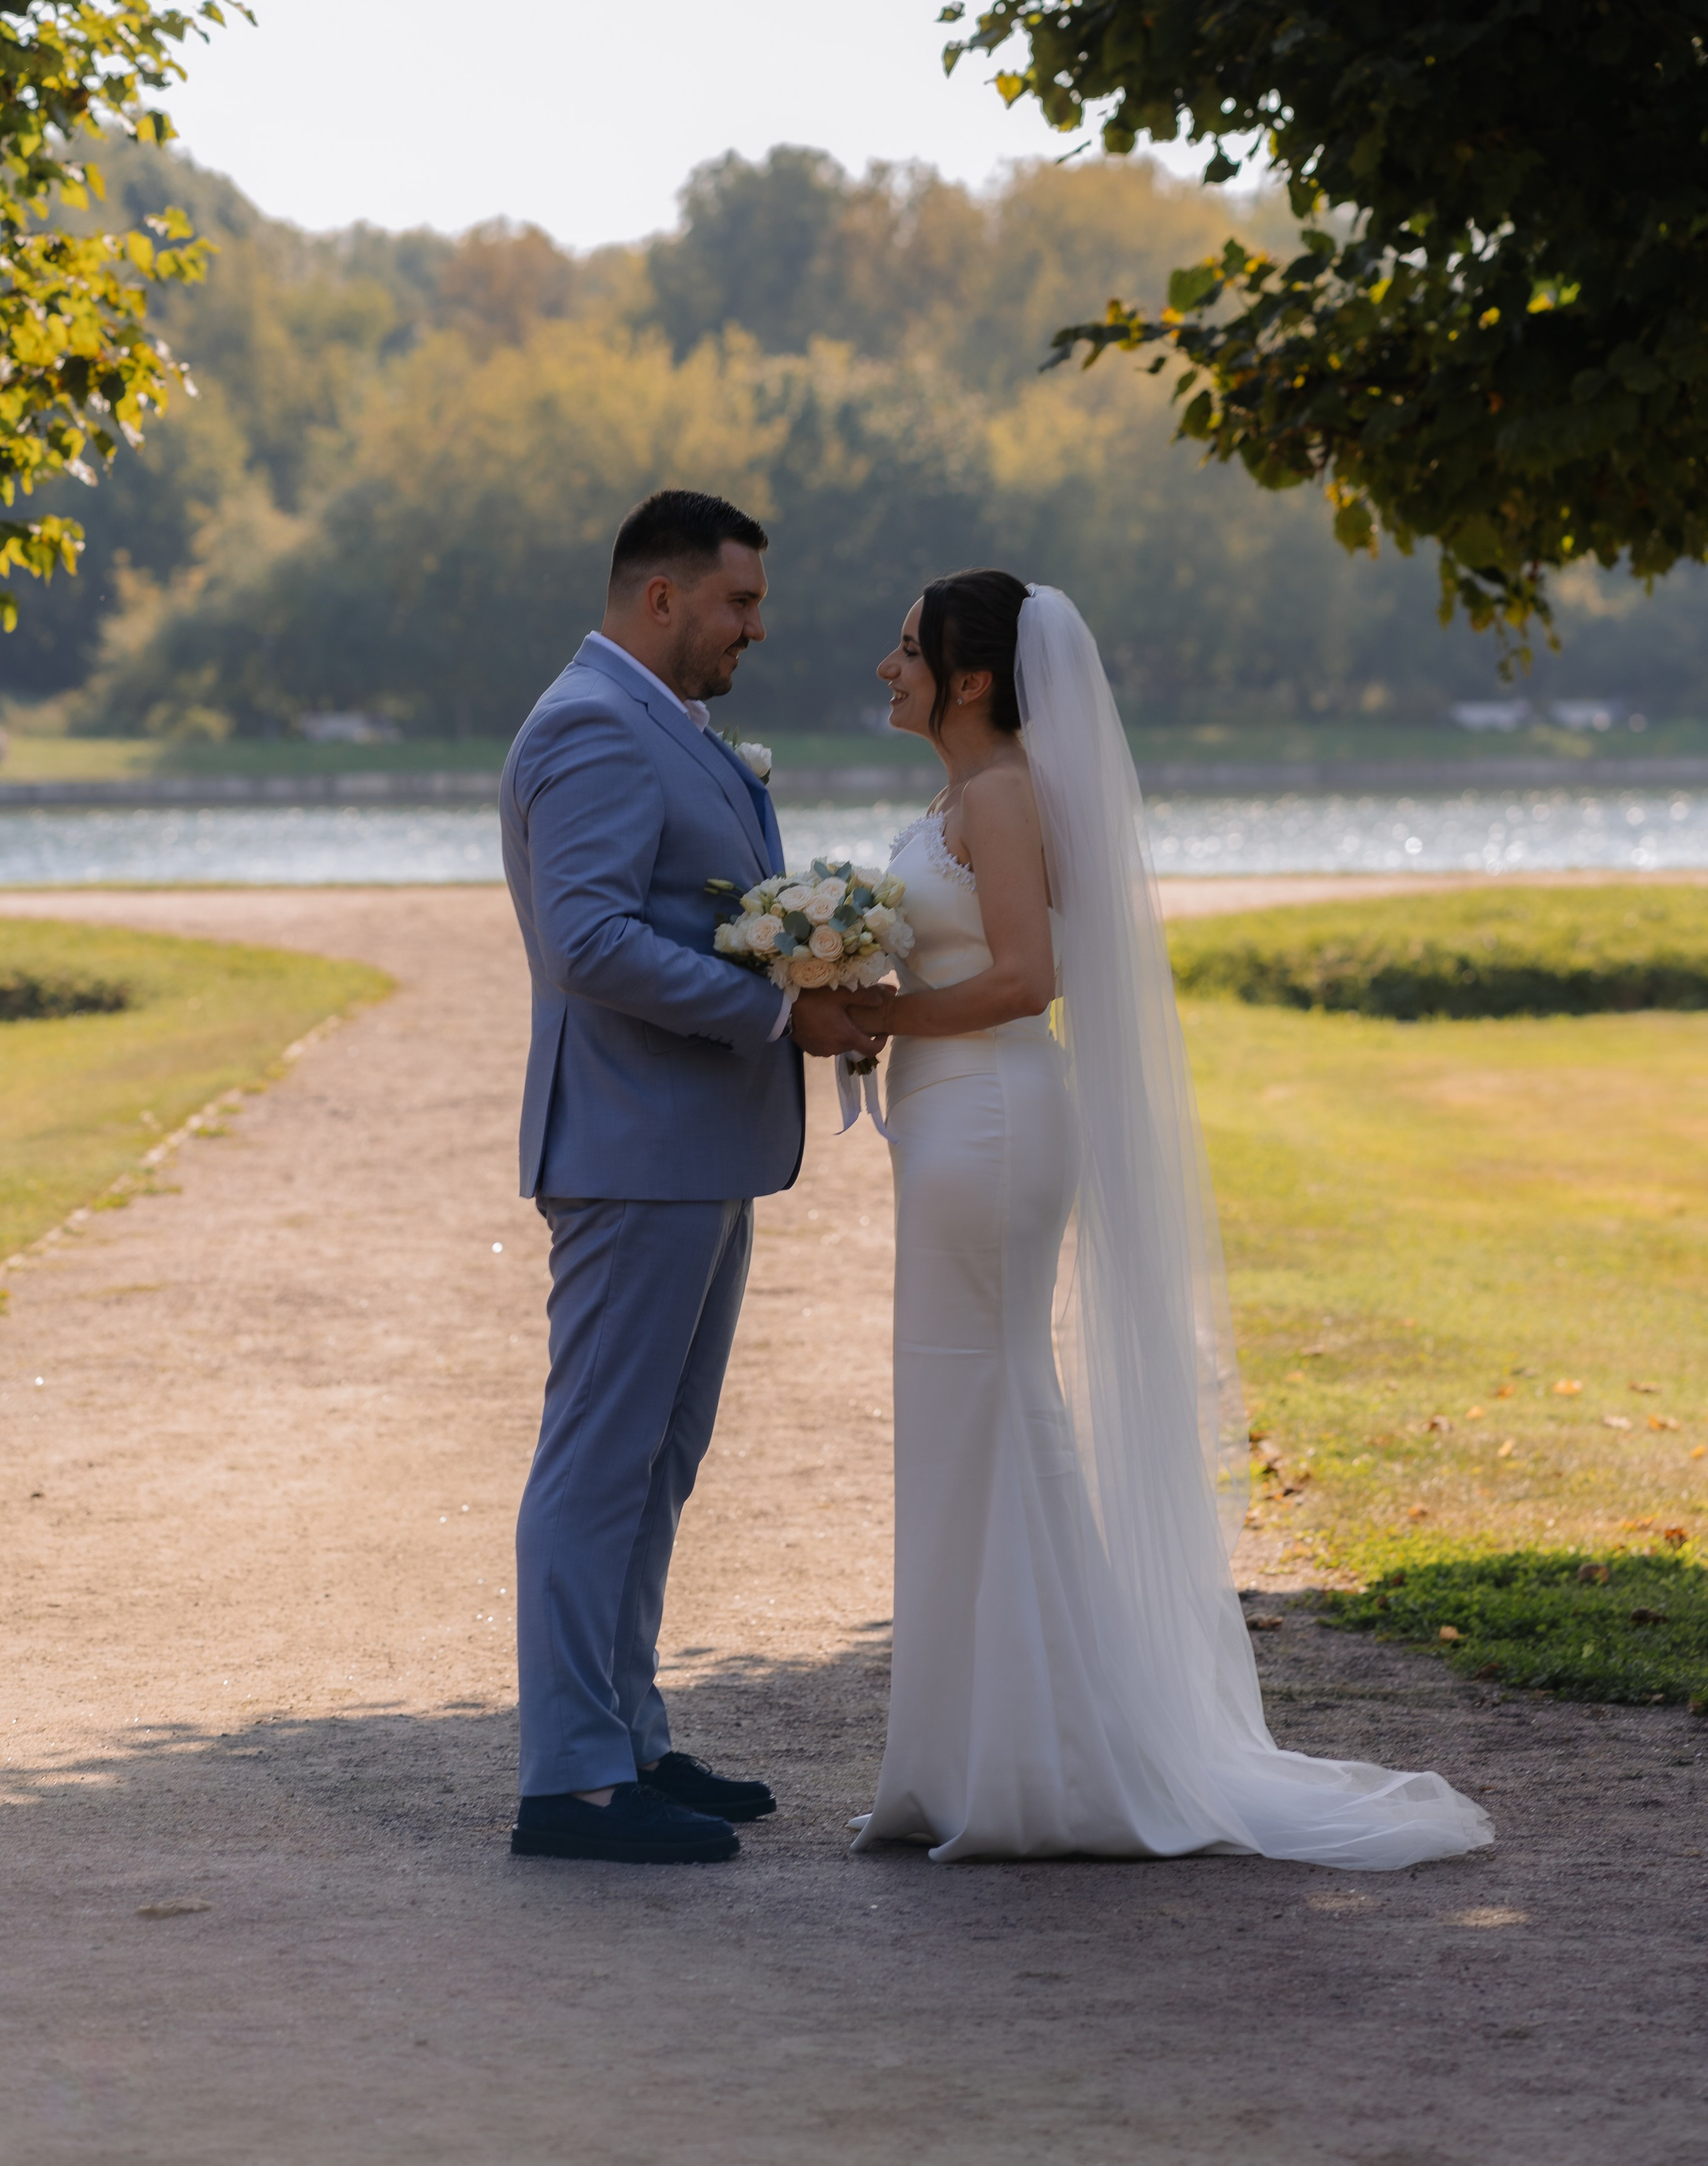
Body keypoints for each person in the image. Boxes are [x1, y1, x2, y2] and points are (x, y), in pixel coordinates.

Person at [844, 571, 1493, 1867]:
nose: (886, 668)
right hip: (954, 1125)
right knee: (958, 1415)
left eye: (908, 649)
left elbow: (1025, 980)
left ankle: (1042, 1767)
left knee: (995, 1406)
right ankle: (963, 1754)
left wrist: (873, 1015)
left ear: (970, 679)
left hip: (992, 1120)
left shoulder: (1002, 797)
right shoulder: (964, 798)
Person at [498, 488, 883, 1865]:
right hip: (630, 1149)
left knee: (654, 1460)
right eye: (738, 603)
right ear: (660, 598)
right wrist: (787, 1013)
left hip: (687, 1147)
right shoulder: (595, 724)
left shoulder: (662, 723)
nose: (753, 629)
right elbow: (590, 942)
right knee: (598, 1461)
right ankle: (572, 1783)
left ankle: (630, 1740)